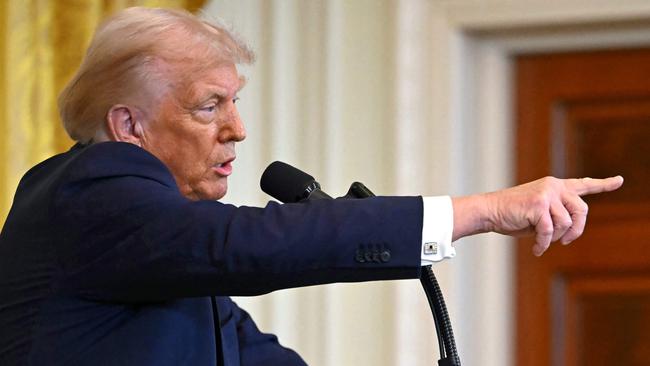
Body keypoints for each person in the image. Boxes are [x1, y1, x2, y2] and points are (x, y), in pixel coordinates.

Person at [0, 7, 623, 366]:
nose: (237, 131)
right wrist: (483, 211)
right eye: (209, 106)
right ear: (128, 125)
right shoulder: (91, 190)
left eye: (235, 103)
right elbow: (247, 245)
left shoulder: (156, 248)